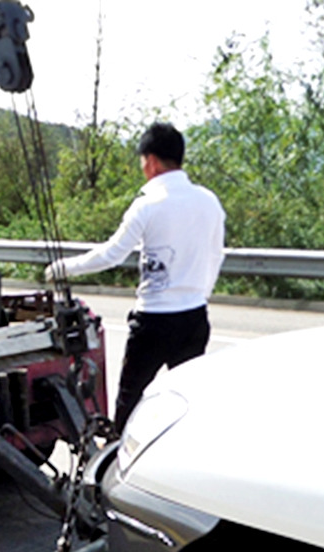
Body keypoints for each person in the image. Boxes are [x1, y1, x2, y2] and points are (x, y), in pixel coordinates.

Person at [45, 122, 225, 432]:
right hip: (194, 318)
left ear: (151, 161)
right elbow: (215, 255)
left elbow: (112, 254)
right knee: (188, 397)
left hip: (153, 322)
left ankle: (118, 452)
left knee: (129, 400)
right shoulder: (209, 201)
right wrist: (199, 294)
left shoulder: (147, 205)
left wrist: (65, 268)